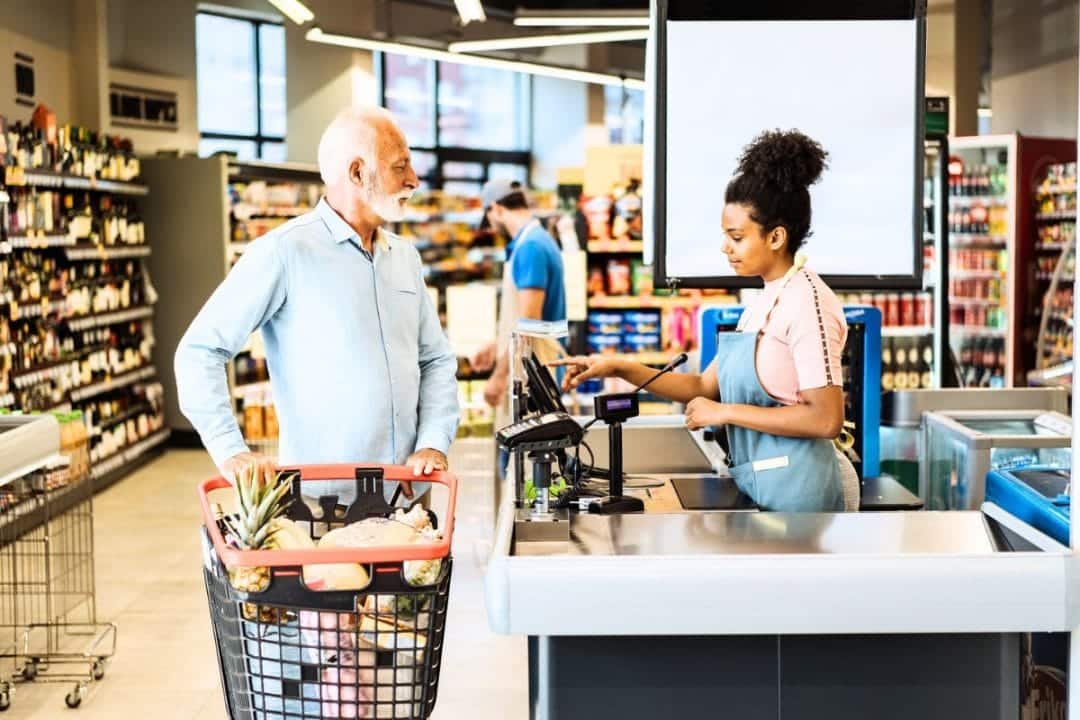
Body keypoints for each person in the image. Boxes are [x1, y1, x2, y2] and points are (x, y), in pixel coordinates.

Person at [554, 130, 859, 512]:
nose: (725, 247)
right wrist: (617, 366)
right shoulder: (764, 299)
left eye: (737, 237)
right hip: (764, 486)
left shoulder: (808, 303)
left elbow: (826, 418)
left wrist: (725, 412)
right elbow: (702, 385)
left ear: (776, 237)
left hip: (803, 498)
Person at [175, 107, 459, 499]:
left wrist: (432, 442)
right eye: (400, 166)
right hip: (325, 508)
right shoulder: (284, 252)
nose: (413, 179)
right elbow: (199, 351)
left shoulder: (404, 257)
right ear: (357, 173)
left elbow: (436, 360)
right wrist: (230, 450)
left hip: (409, 498)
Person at [470, 178, 567, 420]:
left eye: (489, 218)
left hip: (533, 379)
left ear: (496, 209)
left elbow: (530, 322)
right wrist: (498, 344)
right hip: (532, 369)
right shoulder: (537, 240)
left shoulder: (531, 247)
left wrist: (499, 376)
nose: (492, 228)